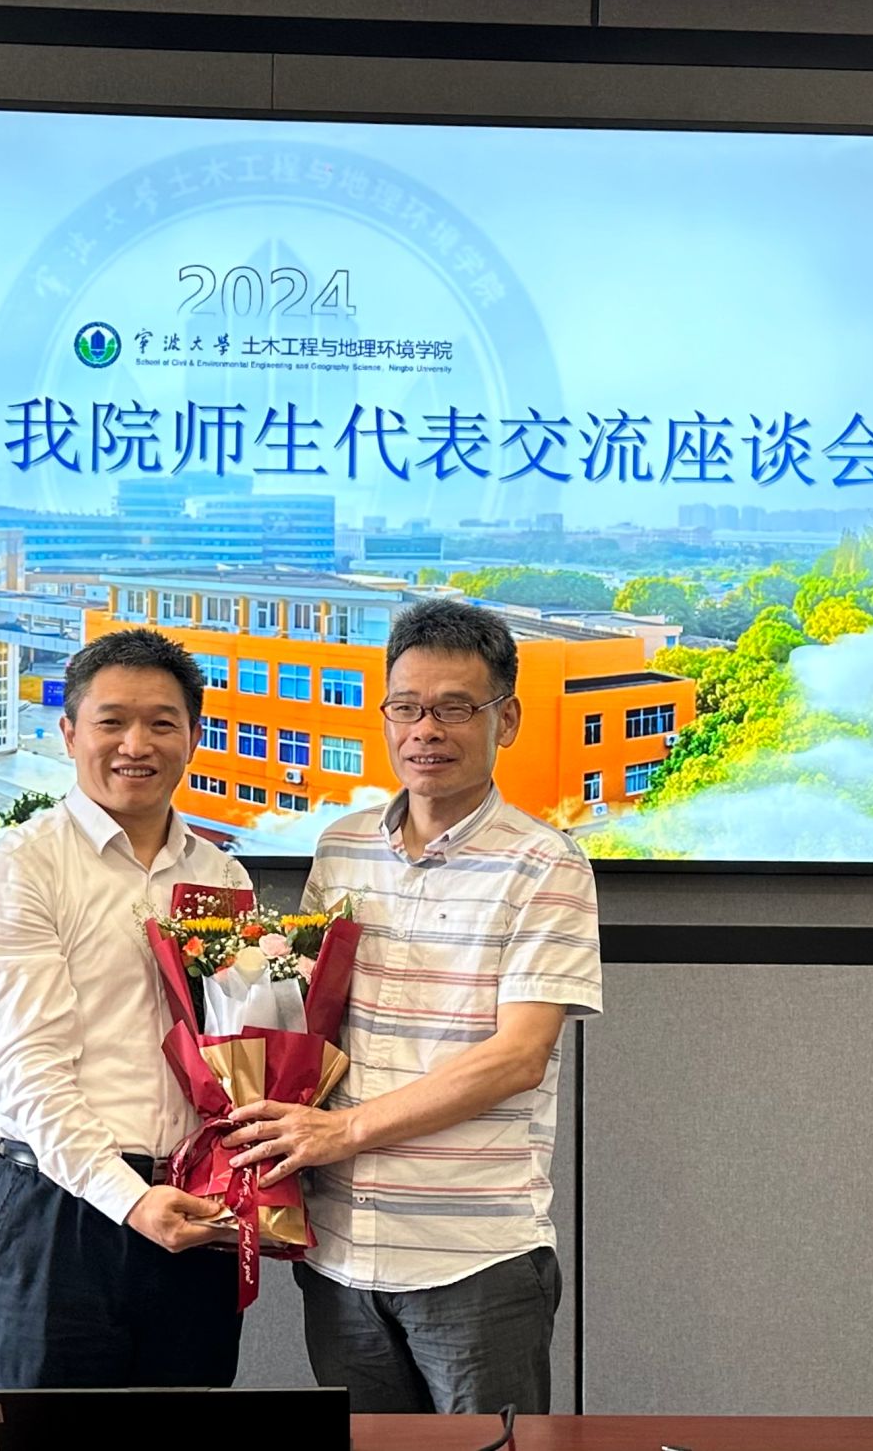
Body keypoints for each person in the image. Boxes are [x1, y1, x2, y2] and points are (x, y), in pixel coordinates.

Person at [223, 598, 600, 1415]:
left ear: (506, 720)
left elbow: (518, 1057)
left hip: (472, 1258)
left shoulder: (547, 864)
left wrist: (344, 1131)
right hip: (340, 1257)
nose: (426, 730)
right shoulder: (343, 846)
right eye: (407, 707)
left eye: (455, 708)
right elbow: (313, 1022)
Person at [0, 628, 246, 1405]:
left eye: (162, 723)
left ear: (193, 736)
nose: (135, 745)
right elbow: (24, 1071)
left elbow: (237, 1051)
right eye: (112, 721)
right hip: (59, 1219)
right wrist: (129, 1198)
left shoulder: (222, 875)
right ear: (69, 732)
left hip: (191, 1211)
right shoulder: (20, 868)